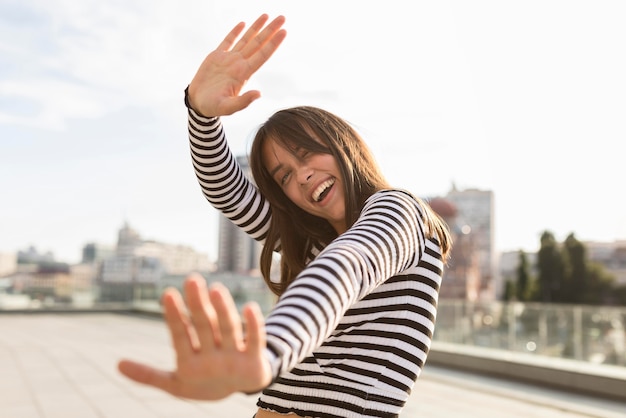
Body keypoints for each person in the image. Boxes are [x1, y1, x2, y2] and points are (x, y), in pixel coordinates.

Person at [118, 14, 452, 418]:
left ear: (343, 144)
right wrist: (201, 115)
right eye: (285, 176)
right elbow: (227, 193)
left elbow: (347, 266)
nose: (303, 174)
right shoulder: (311, 238)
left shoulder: (399, 210)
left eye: (308, 153)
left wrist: (269, 351)